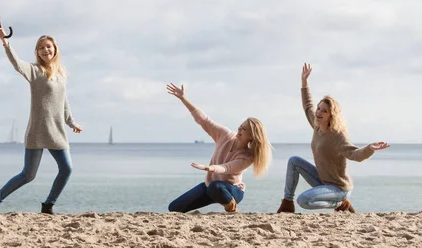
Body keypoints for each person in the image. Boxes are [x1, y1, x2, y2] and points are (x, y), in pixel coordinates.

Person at [0, 28, 83, 215]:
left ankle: (48, 205)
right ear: (37, 52)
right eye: (41, 48)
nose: (45, 50)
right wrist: (5, 42)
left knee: (67, 169)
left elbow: (63, 103)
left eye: (48, 46)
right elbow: (17, 64)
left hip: (57, 132)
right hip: (37, 131)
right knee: (28, 175)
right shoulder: (35, 71)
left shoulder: (61, 74)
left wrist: (72, 122)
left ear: (55, 49)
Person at [276, 63, 390, 214]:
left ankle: (340, 203)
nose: (319, 112)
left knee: (304, 200)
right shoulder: (317, 125)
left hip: (338, 188)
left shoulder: (337, 135)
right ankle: (287, 203)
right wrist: (304, 83)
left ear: (331, 115)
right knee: (294, 161)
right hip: (322, 181)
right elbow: (307, 104)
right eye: (319, 108)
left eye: (324, 111)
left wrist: (369, 148)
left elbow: (355, 154)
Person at [166, 83, 272, 213]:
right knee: (174, 208)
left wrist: (209, 168)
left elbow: (226, 168)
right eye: (240, 125)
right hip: (210, 186)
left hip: (232, 190)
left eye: (243, 129)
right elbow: (204, 120)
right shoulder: (225, 135)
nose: (239, 129)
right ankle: (216, 196)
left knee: (216, 187)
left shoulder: (248, 157)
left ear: (251, 136)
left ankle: (231, 206)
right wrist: (183, 99)